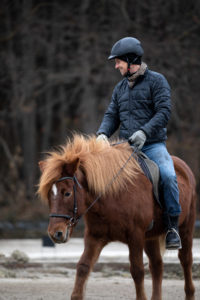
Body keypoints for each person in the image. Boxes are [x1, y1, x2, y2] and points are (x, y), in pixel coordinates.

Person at [96, 37, 181, 250]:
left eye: (118, 62)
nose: (116, 66)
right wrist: (102, 133)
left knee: (169, 176)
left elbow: (164, 112)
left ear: (131, 60)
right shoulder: (120, 88)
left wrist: (144, 131)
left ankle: (172, 227)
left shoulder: (157, 81)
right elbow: (111, 114)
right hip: (125, 147)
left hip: (152, 145)